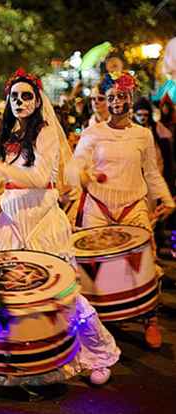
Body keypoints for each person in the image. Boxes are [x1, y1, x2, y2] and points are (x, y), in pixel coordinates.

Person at [0, 69, 120, 387]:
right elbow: (9, 184)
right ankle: (4, 360)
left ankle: (97, 353)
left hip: (42, 222)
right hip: (9, 224)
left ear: (38, 100)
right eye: (14, 96)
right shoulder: (7, 133)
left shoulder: (46, 133)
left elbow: (39, 179)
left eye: (26, 96)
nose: (19, 101)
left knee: (59, 293)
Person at [70, 72, 175, 350]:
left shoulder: (143, 135)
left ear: (130, 98)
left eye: (122, 96)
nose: (117, 101)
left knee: (147, 263)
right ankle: (93, 326)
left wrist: (166, 198)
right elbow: (73, 167)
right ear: (106, 100)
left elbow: (151, 173)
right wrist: (84, 172)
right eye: (111, 97)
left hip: (133, 206)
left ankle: (150, 320)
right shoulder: (93, 133)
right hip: (98, 207)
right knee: (91, 268)